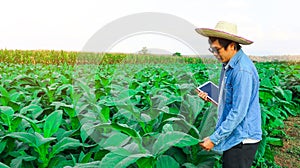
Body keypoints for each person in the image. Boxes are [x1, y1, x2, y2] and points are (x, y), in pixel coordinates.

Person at [195, 21, 262, 168]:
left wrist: (214, 139)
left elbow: (238, 112)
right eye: (212, 49)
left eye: (217, 50)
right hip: (234, 135)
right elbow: (231, 100)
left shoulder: (242, 71)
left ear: (232, 46)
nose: (214, 54)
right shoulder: (228, 64)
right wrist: (212, 96)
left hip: (242, 139)